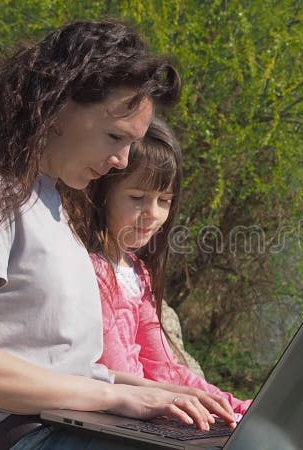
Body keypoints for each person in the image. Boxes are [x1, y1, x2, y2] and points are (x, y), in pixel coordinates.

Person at [0, 20, 235, 450]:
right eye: (115, 136)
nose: (121, 160)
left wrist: (151, 392)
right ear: (57, 106)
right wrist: (118, 397)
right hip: (19, 435)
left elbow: (66, 367)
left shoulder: (52, 202)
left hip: (71, 424)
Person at [62, 117, 252, 418]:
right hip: (113, 413)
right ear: (101, 192)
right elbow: (115, 369)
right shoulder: (93, 270)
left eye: (164, 201)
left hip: (142, 405)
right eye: (137, 198)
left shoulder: (137, 271)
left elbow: (163, 365)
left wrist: (234, 405)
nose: (153, 214)